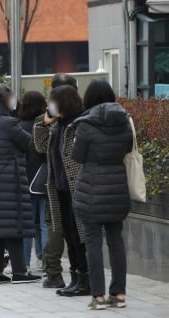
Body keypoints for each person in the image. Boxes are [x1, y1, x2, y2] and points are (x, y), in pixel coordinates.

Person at [73, 80, 132, 309]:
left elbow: (78, 157)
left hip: (92, 188)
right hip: (118, 186)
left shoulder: (85, 125)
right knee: (116, 240)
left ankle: (97, 295)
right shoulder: (124, 121)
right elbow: (127, 148)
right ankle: (119, 294)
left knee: (94, 242)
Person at [0, 84, 40, 284]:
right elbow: (30, 143)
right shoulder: (8, 123)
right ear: (2, 100)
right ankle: (20, 271)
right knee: (14, 228)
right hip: (8, 184)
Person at [34, 84, 89, 296]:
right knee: (68, 235)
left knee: (79, 236)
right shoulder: (57, 126)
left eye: (53, 102)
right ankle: (75, 278)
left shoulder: (78, 125)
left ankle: (85, 279)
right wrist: (44, 123)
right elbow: (39, 146)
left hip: (78, 189)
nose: (50, 106)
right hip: (60, 191)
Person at [40, 73, 78, 289]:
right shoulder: (50, 120)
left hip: (73, 186)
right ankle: (56, 272)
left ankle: (78, 275)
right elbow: (38, 145)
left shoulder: (79, 120)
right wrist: (45, 123)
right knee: (58, 226)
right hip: (57, 186)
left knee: (72, 232)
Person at [18, 91, 48, 271]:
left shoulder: (19, 127)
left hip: (25, 179)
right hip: (43, 178)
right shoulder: (45, 126)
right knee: (44, 223)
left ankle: (25, 263)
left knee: (27, 224)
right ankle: (45, 260)